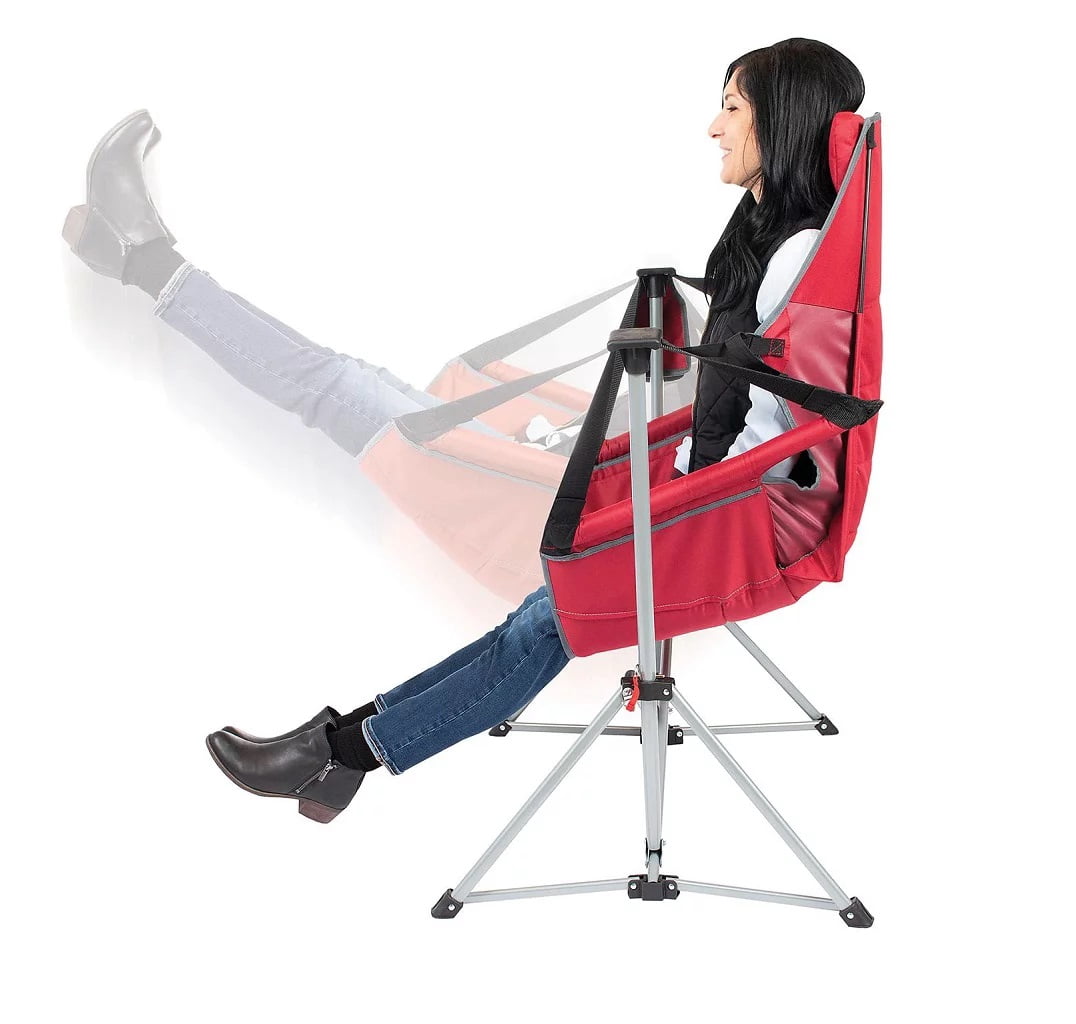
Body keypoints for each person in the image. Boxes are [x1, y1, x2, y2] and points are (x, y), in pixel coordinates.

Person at [62, 37, 866, 824]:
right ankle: (333, 752)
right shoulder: (788, 245)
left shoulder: (795, 256)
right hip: (674, 493)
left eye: (732, 108)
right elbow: (751, 409)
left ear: (782, 119)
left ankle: (342, 754)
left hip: (708, 516)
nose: (714, 127)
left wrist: (667, 493)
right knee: (361, 389)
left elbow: (783, 435)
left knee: (352, 407)